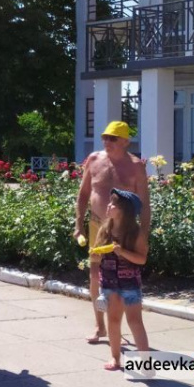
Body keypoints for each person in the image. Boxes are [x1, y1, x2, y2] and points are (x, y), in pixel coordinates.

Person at [74, 121, 150, 345]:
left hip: (125, 228)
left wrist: (143, 234)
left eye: (113, 138)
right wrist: (78, 224)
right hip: (99, 225)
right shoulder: (95, 160)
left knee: (125, 275)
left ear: (125, 141)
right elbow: (84, 194)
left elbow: (145, 203)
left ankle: (123, 325)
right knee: (96, 276)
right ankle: (100, 326)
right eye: (105, 137)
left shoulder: (136, 166)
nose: (107, 141)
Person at [93, 188, 149, 371]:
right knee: (113, 320)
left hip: (130, 283)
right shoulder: (105, 228)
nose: (108, 206)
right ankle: (115, 358)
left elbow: (142, 259)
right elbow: (96, 251)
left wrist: (122, 251)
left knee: (135, 321)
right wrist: (97, 251)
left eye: (113, 204)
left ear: (125, 210)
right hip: (109, 283)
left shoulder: (136, 233)